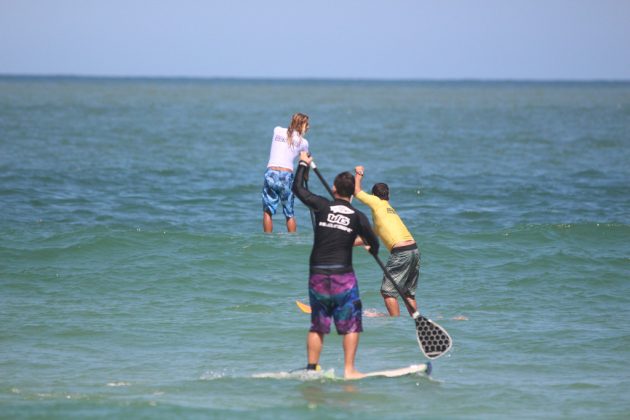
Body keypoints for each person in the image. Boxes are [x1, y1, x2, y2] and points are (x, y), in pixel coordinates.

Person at [292, 152, 380, 379]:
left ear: (333, 189)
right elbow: (374, 242)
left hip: (318, 275)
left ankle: (312, 368)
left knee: (317, 325)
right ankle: (349, 370)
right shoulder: (357, 216)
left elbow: (298, 190)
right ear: (352, 193)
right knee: (351, 324)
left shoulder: (321, 206)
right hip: (343, 277)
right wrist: (370, 247)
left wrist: (303, 163)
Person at [353, 165, 421, 317]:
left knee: (388, 292)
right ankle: (416, 320)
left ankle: (395, 325)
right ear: (388, 196)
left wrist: (358, 174)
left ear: (374, 196)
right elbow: (369, 237)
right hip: (414, 250)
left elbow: (356, 192)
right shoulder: (388, 211)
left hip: (401, 252)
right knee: (408, 294)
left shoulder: (377, 203)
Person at [261, 113, 310, 233]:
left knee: (268, 211)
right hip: (286, 176)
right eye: (307, 124)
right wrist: (305, 176)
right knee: (289, 213)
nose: (308, 127)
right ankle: (292, 241)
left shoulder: (277, 130)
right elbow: (304, 161)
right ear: (302, 125)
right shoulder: (303, 143)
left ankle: (268, 240)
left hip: (271, 173)